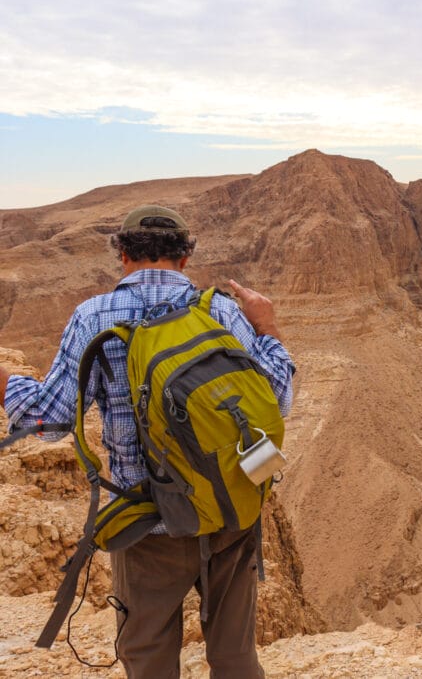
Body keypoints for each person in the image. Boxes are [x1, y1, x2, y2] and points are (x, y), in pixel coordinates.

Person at [0, 204, 295, 678]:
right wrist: (268, 326)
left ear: (122, 254)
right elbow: (277, 401)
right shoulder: (220, 309)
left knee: (149, 661)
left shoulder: (92, 317)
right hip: (227, 512)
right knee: (236, 658)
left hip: (147, 523)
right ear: (185, 258)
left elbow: (48, 420)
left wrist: (3, 381)